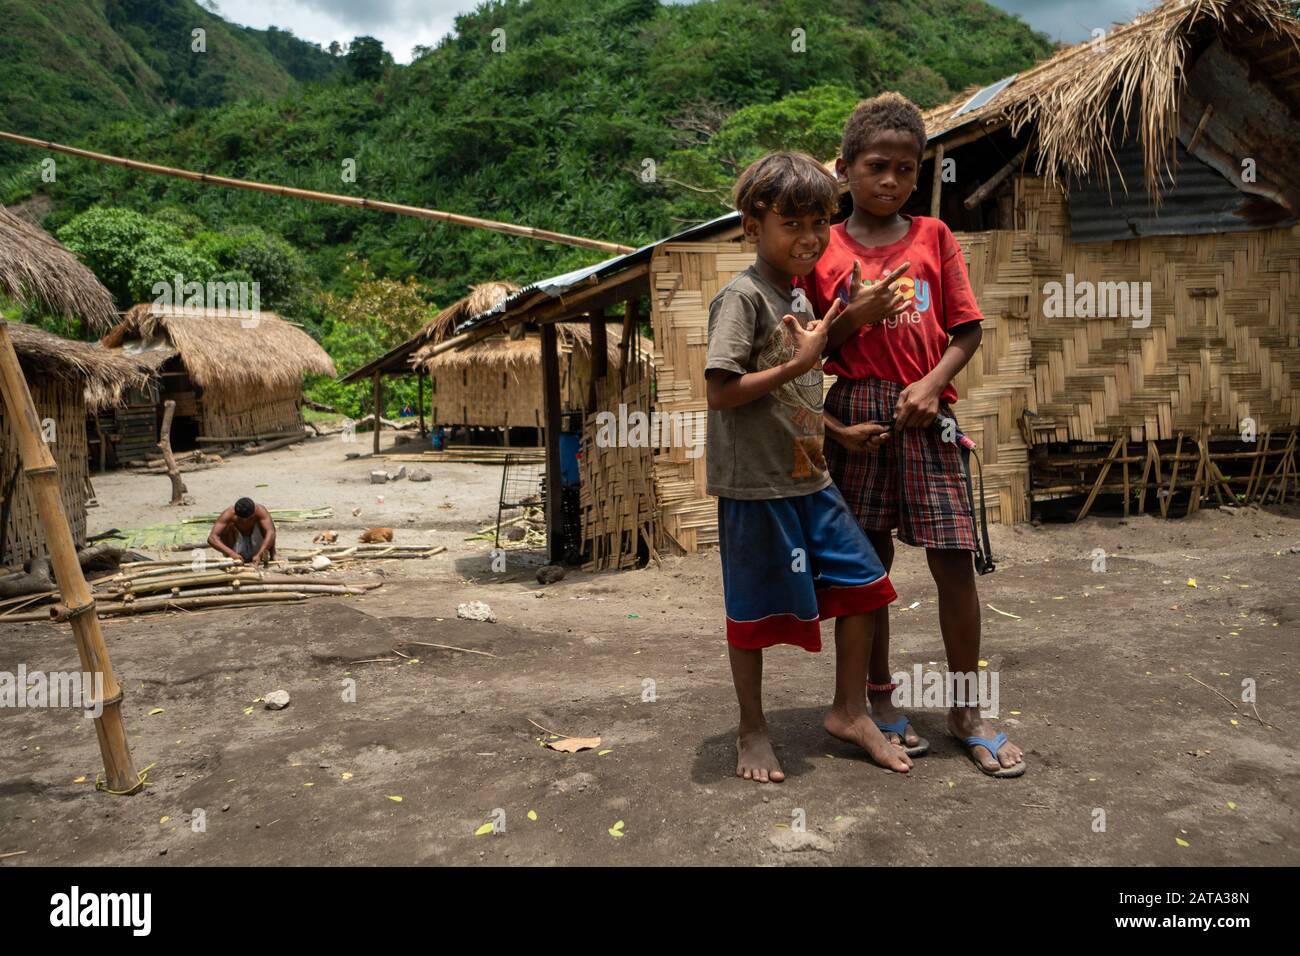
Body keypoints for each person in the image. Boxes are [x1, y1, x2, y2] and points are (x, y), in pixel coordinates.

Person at [797, 92, 1025, 777]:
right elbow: (801, 350)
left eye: (905, 168)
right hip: (858, 416)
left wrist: (931, 384)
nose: (891, 180)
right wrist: (849, 333)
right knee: (868, 570)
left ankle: (966, 707)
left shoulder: (935, 238)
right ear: (844, 169)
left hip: (927, 412)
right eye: (876, 167)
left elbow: (967, 328)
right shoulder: (824, 250)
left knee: (954, 559)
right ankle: (877, 699)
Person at [706, 151, 908, 784]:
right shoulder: (741, 298)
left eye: (820, 222)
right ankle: (752, 729)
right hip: (754, 486)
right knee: (752, 613)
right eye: (792, 224)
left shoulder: (793, 291)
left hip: (809, 476)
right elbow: (723, 389)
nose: (810, 238)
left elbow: (793, 395)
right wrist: (802, 362)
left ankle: (849, 710)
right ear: (751, 226)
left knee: (866, 584)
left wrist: (837, 430)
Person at [207, 497, 276, 566]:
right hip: (236, 547)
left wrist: (260, 554)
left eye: (249, 519)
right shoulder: (229, 513)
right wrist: (231, 553)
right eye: (240, 519)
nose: (244, 521)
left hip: (257, 545)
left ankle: (272, 555)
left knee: (269, 527)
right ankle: (231, 557)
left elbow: (270, 532)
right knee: (227, 526)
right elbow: (212, 538)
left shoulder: (260, 510)